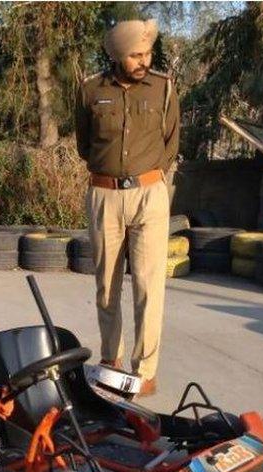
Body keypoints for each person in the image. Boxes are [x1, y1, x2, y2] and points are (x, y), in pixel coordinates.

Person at [75, 19, 180, 397]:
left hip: (149, 195)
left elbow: (171, 143)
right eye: (135, 55)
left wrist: (148, 179)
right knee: (107, 285)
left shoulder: (164, 88)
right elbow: (84, 145)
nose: (143, 60)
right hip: (104, 196)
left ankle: (145, 369)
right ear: (117, 55)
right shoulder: (90, 89)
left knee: (149, 287)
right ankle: (110, 359)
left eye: (147, 53)